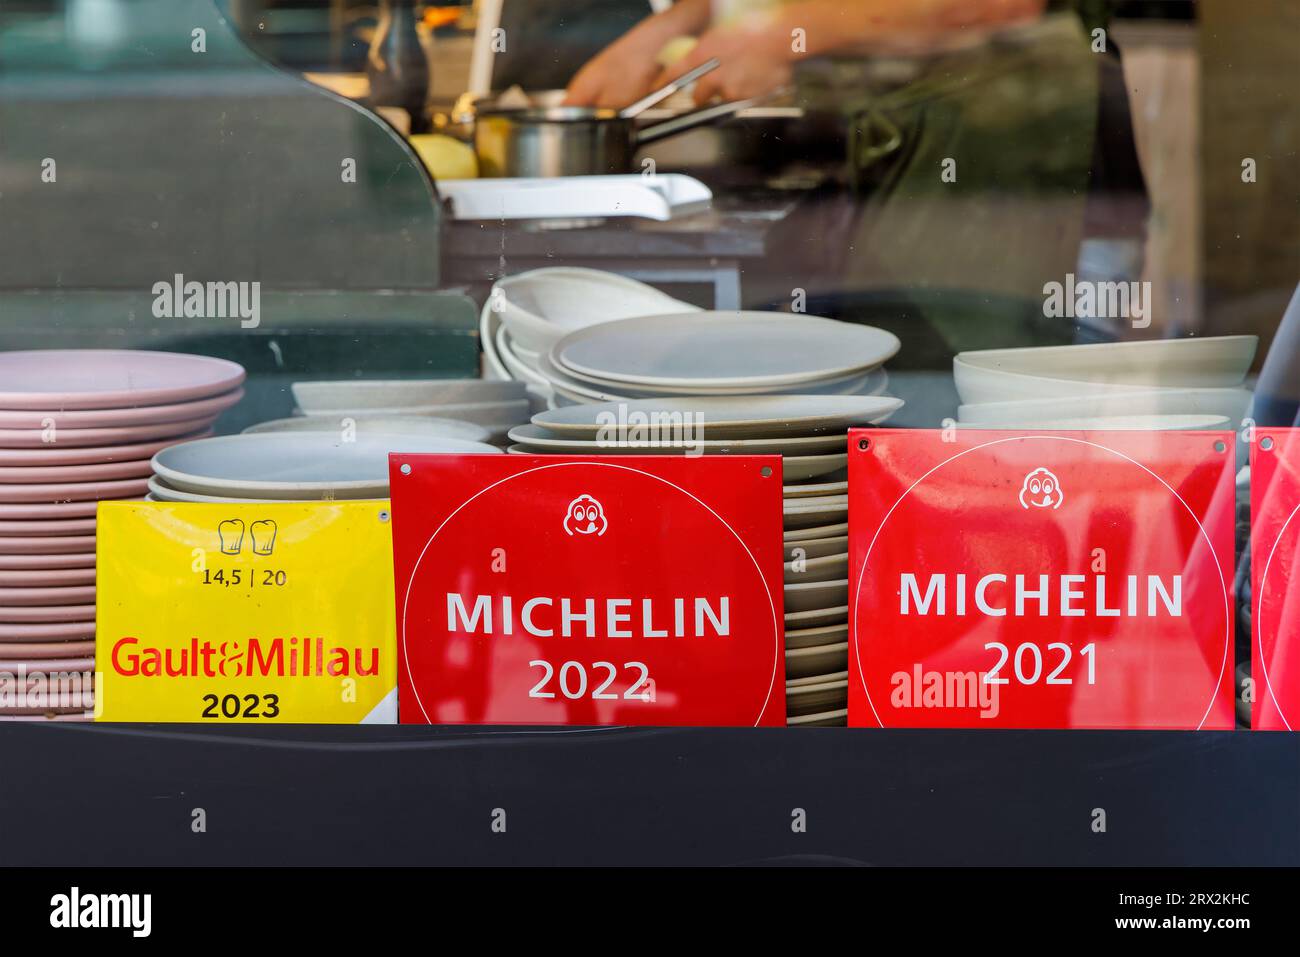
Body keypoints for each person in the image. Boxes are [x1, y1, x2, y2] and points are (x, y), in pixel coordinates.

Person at [565, 0, 1048, 108]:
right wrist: (671, 25)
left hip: (979, 169)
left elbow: (1003, 4)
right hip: (860, 164)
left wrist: (777, 38)